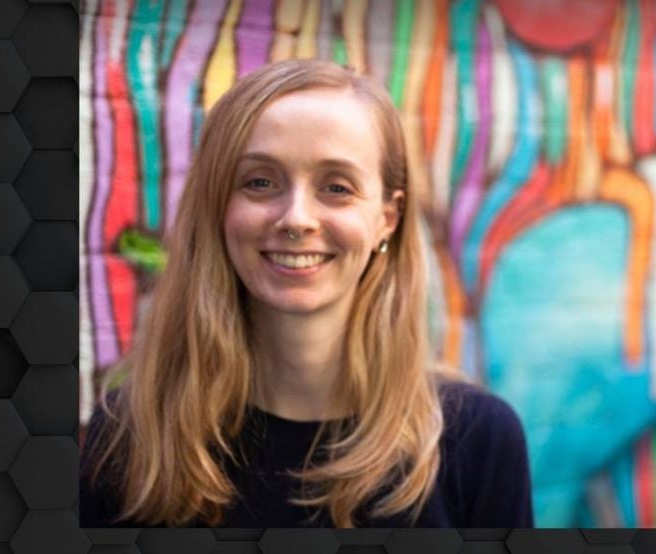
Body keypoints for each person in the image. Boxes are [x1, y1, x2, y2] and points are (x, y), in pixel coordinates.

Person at [80, 59, 534, 528]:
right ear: (217, 205)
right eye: (260, 182)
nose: (296, 218)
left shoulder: (479, 441)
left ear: (387, 218)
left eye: (336, 187)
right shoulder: (131, 434)